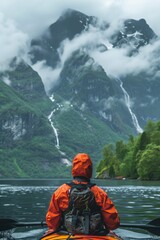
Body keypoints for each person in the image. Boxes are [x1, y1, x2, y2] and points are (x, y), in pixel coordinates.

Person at [46, 153, 120, 235]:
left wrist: (53, 229)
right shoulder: (99, 193)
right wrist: (108, 229)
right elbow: (113, 223)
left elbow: (52, 223)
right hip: (95, 234)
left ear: (73, 168)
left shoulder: (60, 192)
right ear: (90, 169)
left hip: (67, 234)